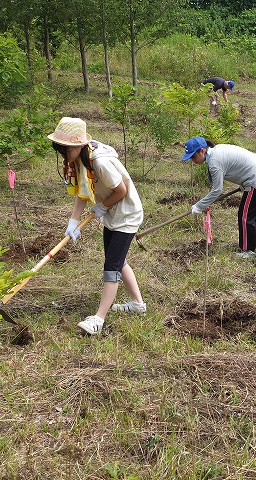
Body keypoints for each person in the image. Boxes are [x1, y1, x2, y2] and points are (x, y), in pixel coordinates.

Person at [48, 117, 147, 336]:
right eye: (61, 150)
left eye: (66, 150)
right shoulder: (80, 160)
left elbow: (121, 190)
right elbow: (83, 191)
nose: (63, 155)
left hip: (127, 214)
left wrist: (102, 206)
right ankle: (138, 305)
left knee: (112, 266)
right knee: (118, 260)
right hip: (112, 213)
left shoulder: (100, 162)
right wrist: (73, 221)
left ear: (78, 146)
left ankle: (98, 319)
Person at [181, 137, 256, 259]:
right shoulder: (216, 151)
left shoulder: (214, 162)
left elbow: (217, 190)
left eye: (193, 157)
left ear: (202, 151)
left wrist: (199, 206)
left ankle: (249, 250)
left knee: (245, 215)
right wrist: (243, 183)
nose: (193, 160)